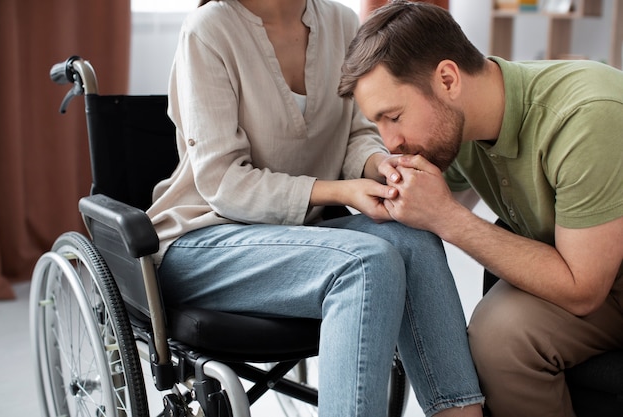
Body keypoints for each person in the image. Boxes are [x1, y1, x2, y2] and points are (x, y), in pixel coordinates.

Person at [146, 0, 485, 416]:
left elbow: (356, 134)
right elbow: (224, 183)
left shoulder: (341, 23)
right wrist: (341, 192)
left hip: (301, 237)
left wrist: (382, 165)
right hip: (203, 239)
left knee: (413, 236)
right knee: (365, 263)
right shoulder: (209, 29)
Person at [338, 1, 623, 416]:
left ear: (448, 79)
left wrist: (447, 218)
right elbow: (426, 198)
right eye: (378, 124)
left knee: (501, 338)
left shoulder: (585, 117)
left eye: (394, 116)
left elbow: (583, 288)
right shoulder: (461, 127)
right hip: (591, 276)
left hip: (602, 281)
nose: (391, 141)